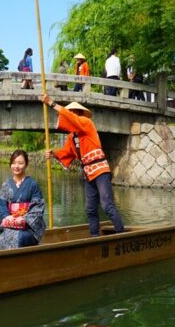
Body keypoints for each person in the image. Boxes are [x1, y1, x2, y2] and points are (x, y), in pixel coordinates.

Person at [41, 94, 125, 235]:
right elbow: (66, 152)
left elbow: (72, 118)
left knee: (106, 204)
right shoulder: (72, 136)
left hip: (100, 170)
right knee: (90, 208)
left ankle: (120, 232)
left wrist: (51, 103)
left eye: (72, 113)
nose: (68, 117)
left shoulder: (86, 123)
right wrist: (53, 153)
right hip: (88, 173)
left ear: (78, 114)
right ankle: (94, 236)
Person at [0, 149, 46, 250]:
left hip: (28, 229)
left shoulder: (33, 185)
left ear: (26, 164)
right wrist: (7, 216)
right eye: (13, 163)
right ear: (10, 164)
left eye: (20, 163)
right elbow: (1, 204)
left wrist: (24, 219)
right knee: (5, 237)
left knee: (20, 237)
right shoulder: (6, 185)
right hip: (10, 226)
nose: (16, 166)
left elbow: (38, 208)